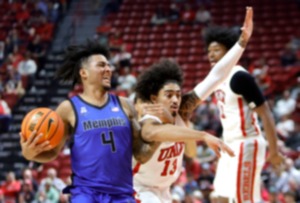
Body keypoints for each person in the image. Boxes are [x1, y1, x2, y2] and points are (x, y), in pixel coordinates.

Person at [19, 40, 230, 203]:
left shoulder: (126, 105)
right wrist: (30, 153)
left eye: (109, 65)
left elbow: (142, 154)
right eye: (101, 65)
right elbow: (52, 153)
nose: (108, 69)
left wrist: (159, 128)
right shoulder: (69, 109)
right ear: (83, 73)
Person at [133, 7, 254, 203]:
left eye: (178, 95)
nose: (175, 99)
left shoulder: (182, 109)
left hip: (165, 189)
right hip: (139, 188)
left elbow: (215, 76)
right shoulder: (149, 120)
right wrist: (203, 136)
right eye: (168, 95)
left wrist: (242, 42)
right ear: (154, 98)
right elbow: (154, 133)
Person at [203, 22, 284, 203]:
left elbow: (266, 113)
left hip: (247, 142)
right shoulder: (215, 78)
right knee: (218, 197)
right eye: (209, 51)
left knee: (243, 199)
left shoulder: (240, 77)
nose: (211, 55)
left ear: (231, 52)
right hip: (229, 144)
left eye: (216, 50)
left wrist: (275, 151)